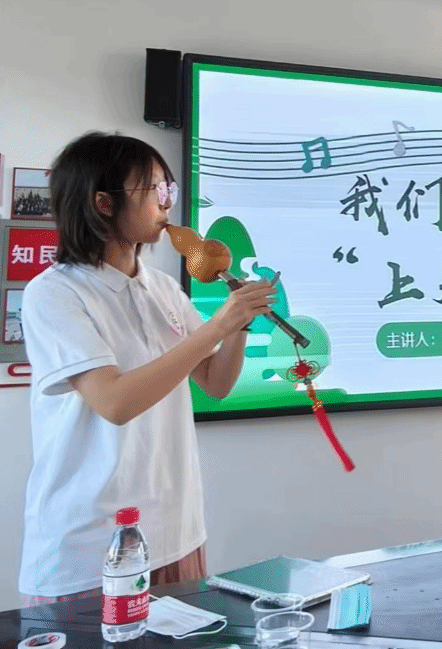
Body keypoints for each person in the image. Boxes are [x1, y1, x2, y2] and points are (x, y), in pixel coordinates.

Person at [18, 131, 277, 602]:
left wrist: (239, 322)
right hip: (93, 540)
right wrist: (217, 326)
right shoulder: (55, 292)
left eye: (168, 189)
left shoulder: (162, 288)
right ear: (103, 203)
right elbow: (115, 403)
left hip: (177, 527)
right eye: (155, 189)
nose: (167, 203)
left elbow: (216, 383)